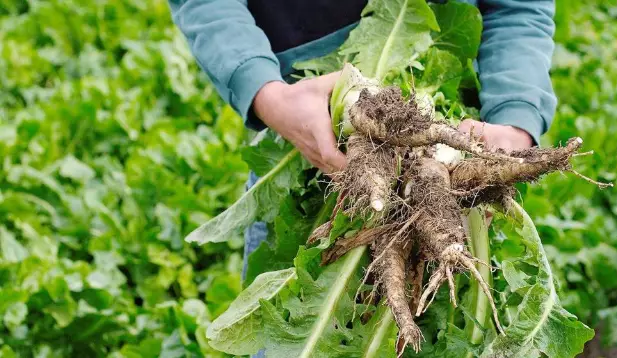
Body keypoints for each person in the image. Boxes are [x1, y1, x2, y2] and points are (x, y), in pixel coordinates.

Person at [169, 0, 555, 281]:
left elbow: (518, 7)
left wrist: (515, 122)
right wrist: (267, 94)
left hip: (457, 171)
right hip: (303, 149)